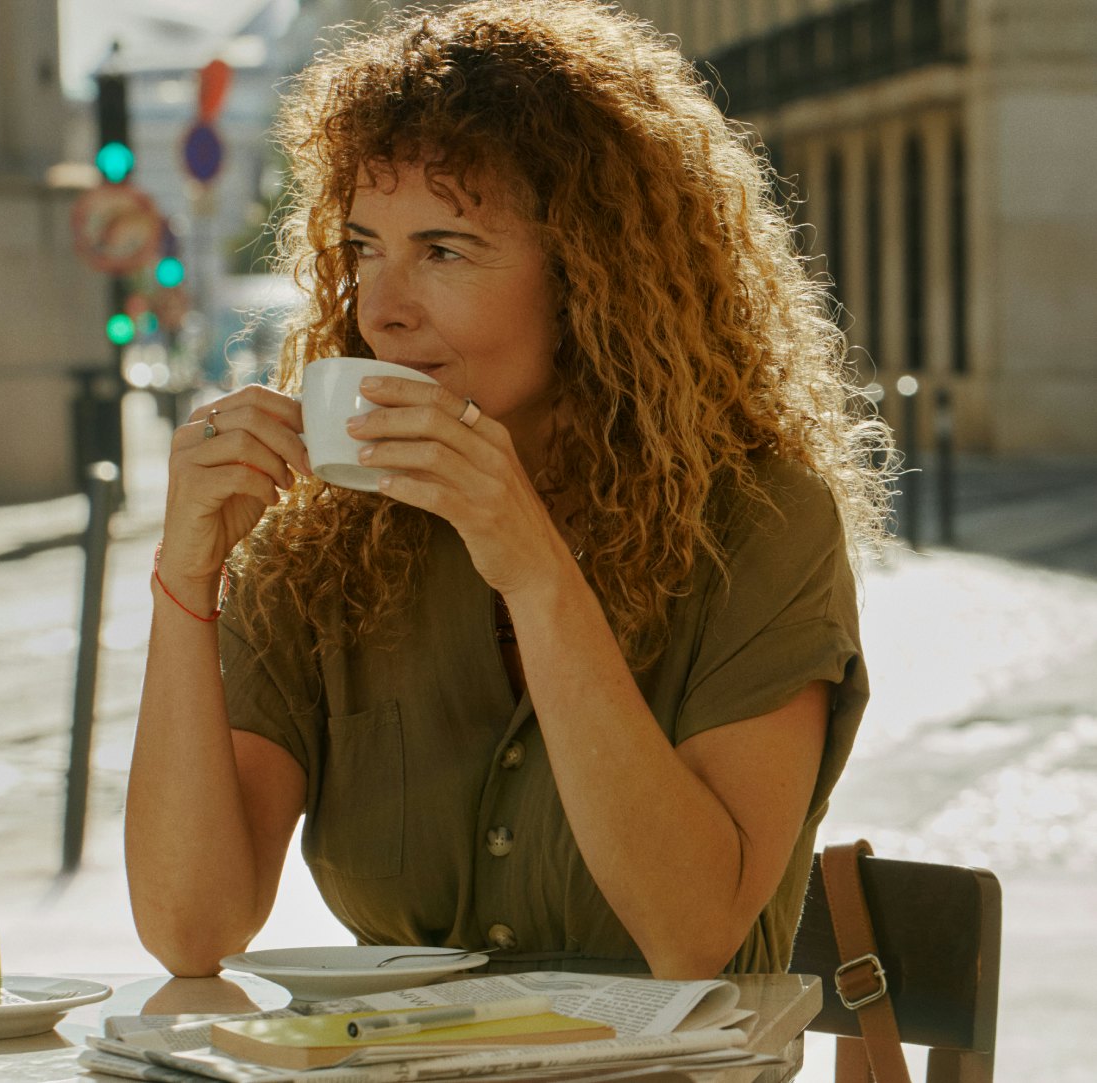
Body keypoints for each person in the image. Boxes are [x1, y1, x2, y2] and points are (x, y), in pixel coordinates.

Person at [126, 0, 892, 981]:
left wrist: (533, 570)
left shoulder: (760, 523)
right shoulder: (326, 540)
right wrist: (187, 578)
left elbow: (695, 934)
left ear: (591, 272)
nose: (383, 312)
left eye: (443, 250)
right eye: (364, 248)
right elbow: (192, 930)